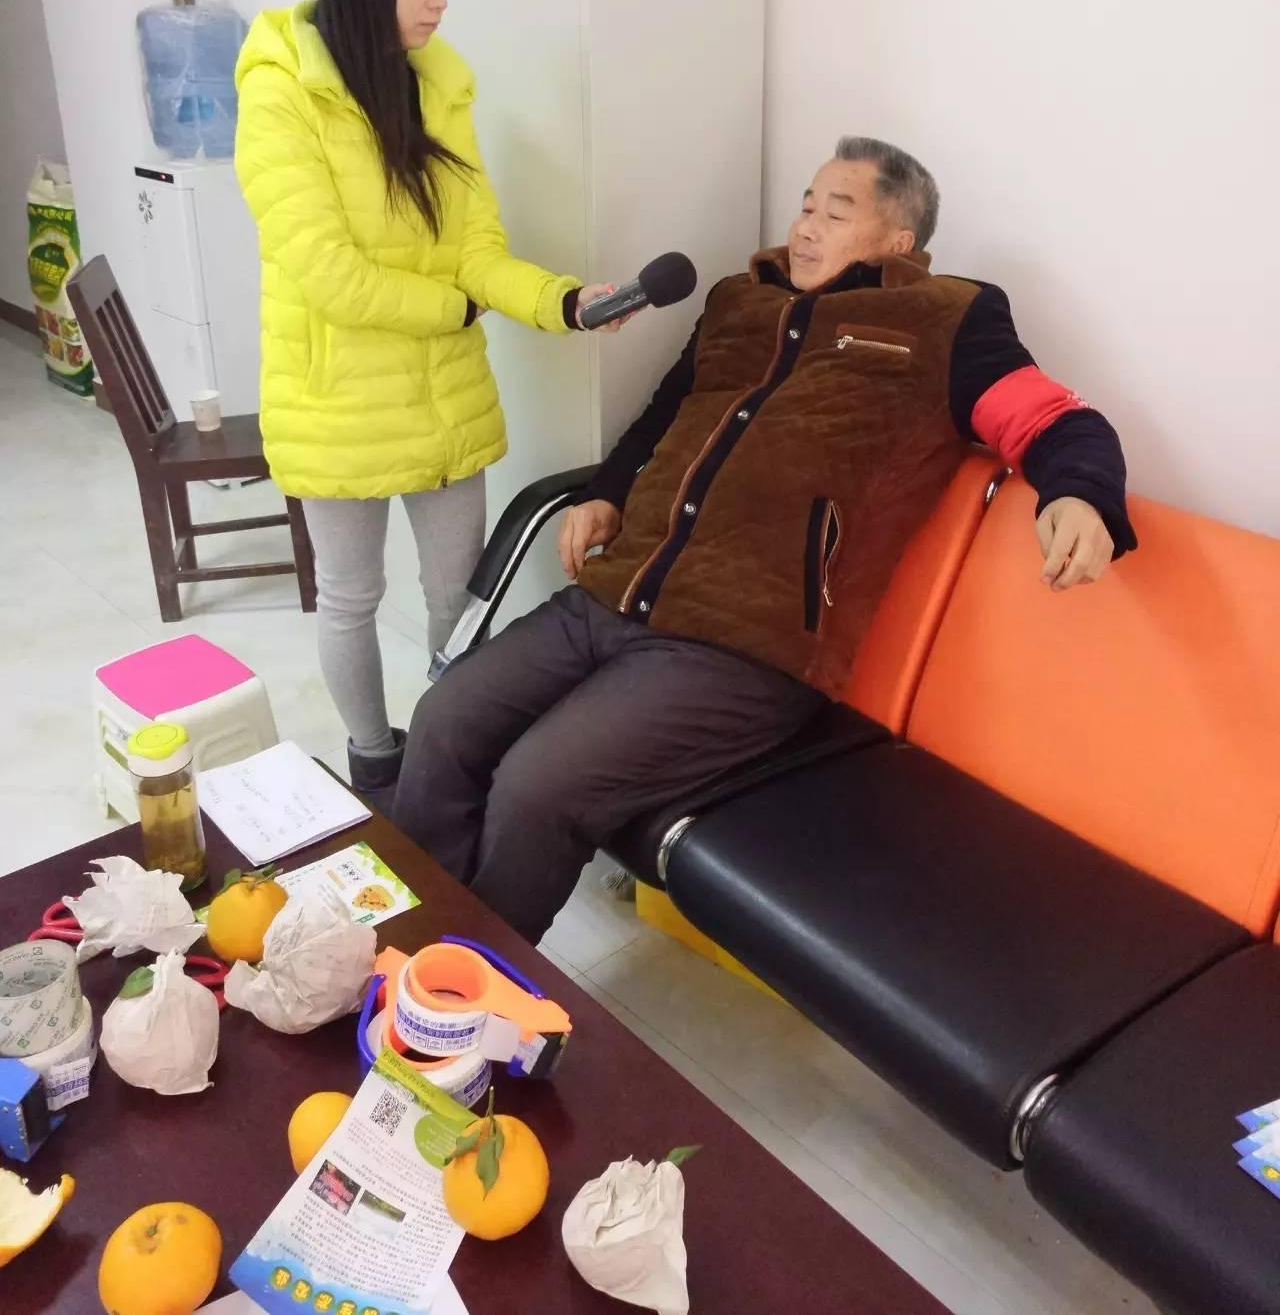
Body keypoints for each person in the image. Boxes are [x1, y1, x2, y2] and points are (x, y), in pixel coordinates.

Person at [393, 137, 1137, 941]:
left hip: (742, 650)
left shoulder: (949, 320)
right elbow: (665, 413)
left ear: (899, 240)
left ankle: (462, 983)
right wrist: (607, 493)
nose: (807, 226)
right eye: (806, 206)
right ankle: (411, 935)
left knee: (536, 787)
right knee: (444, 721)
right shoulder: (738, 302)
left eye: (837, 213)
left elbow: (1055, 420)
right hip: (612, 595)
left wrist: (1080, 493)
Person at [235, 0, 616, 794]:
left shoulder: (437, 87)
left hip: (443, 395)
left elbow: (477, 249)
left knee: (459, 597)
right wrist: (453, 309)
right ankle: (373, 756)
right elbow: (325, 271)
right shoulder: (281, 93)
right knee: (351, 596)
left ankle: (447, 753)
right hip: (334, 399)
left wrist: (560, 301)